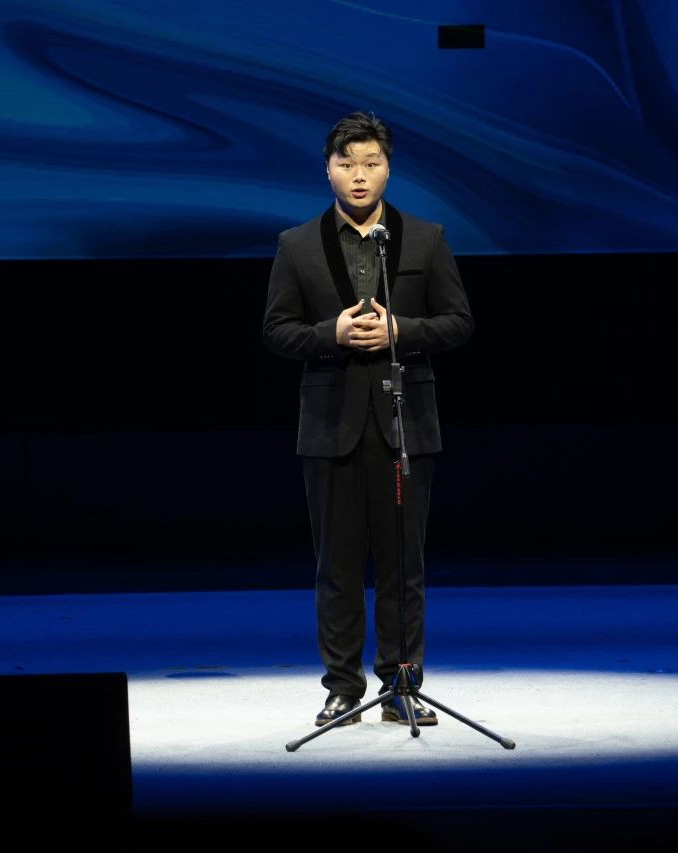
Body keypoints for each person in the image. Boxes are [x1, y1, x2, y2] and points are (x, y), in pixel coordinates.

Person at [262, 112, 474, 727]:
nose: (359, 175)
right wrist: (328, 335)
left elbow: (459, 322)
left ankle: (402, 683)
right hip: (331, 424)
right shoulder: (296, 245)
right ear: (328, 169)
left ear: (388, 169)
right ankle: (342, 688)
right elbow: (276, 330)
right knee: (337, 565)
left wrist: (400, 330)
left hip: (406, 422)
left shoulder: (426, 238)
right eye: (347, 164)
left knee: (404, 563)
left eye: (371, 163)